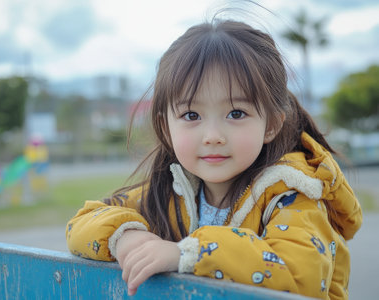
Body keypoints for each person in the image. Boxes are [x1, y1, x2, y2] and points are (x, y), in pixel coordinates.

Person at [66, 18, 362, 299]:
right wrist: (128, 238)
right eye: (191, 115)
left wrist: (190, 253)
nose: (212, 135)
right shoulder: (168, 193)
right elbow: (81, 223)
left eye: (236, 113)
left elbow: (302, 275)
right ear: (167, 127)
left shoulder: (292, 196)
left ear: (271, 124)